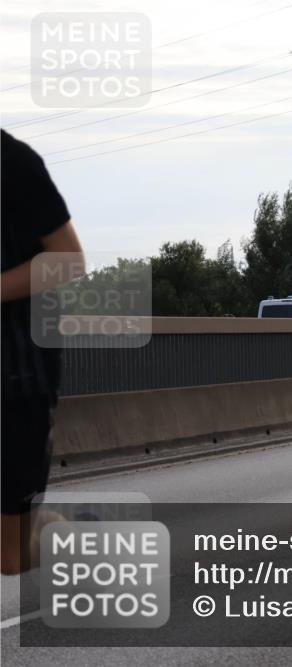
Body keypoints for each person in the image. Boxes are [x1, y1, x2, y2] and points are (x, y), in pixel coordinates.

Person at [2, 129, 85, 574]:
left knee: (11, 558)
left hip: (16, 380)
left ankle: (68, 538)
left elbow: (69, 259)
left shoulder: (13, 163)